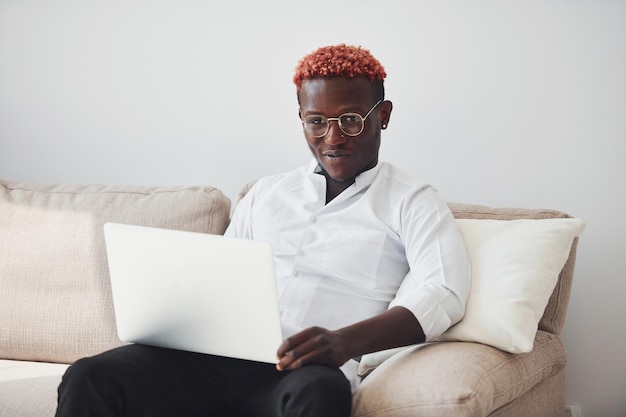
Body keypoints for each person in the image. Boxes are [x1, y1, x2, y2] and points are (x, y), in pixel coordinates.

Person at [55, 44, 470, 417]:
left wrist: (345, 343)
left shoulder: (412, 200)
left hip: (306, 374)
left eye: (350, 120)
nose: (333, 137)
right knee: (90, 376)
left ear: (383, 115)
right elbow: (222, 277)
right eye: (316, 121)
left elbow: (444, 293)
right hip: (217, 361)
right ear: (301, 119)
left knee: (319, 394)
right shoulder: (267, 193)